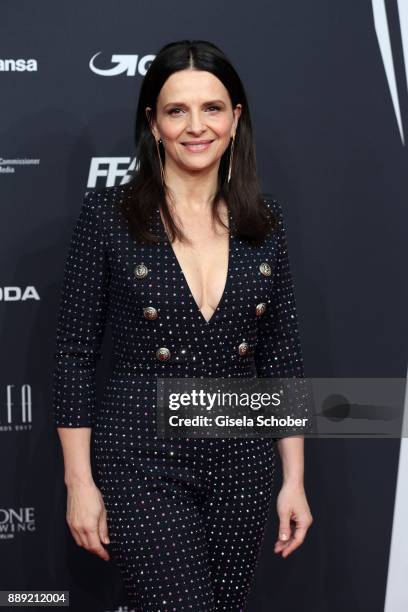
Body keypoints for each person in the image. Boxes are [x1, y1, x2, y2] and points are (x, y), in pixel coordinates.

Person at [52, 39, 313, 612]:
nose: (197, 126)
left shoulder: (265, 221)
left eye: (212, 108)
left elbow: (282, 353)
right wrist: (79, 482)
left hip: (242, 462)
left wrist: (293, 477)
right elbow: (73, 355)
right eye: (177, 110)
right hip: (140, 458)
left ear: (236, 118)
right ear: (154, 123)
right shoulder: (109, 217)